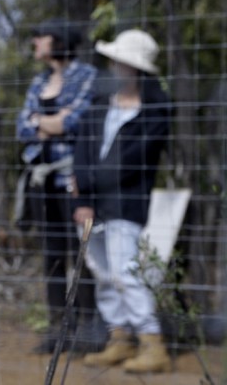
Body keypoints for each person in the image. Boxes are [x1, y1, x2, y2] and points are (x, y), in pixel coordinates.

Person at [72, 29, 172, 373]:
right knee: (101, 272)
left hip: (126, 205)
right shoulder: (98, 106)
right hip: (88, 204)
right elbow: (82, 151)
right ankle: (120, 339)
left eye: (121, 61)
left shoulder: (157, 112)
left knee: (125, 273)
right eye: (114, 60)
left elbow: (129, 163)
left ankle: (152, 341)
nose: (114, 66)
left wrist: (85, 186)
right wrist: (83, 197)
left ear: (136, 68)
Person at [16, 19, 104, 354]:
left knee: (81, 253)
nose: (35, 41)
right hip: (43, 182)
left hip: (75, 183)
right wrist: (45, 123)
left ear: (61, 40)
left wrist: (42, 122)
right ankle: (58, 329)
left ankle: (87, 328)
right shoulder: (39, 81)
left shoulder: (87, 76)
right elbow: (21, 127)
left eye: (42, 36)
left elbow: (77, 120)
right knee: (52, 254)